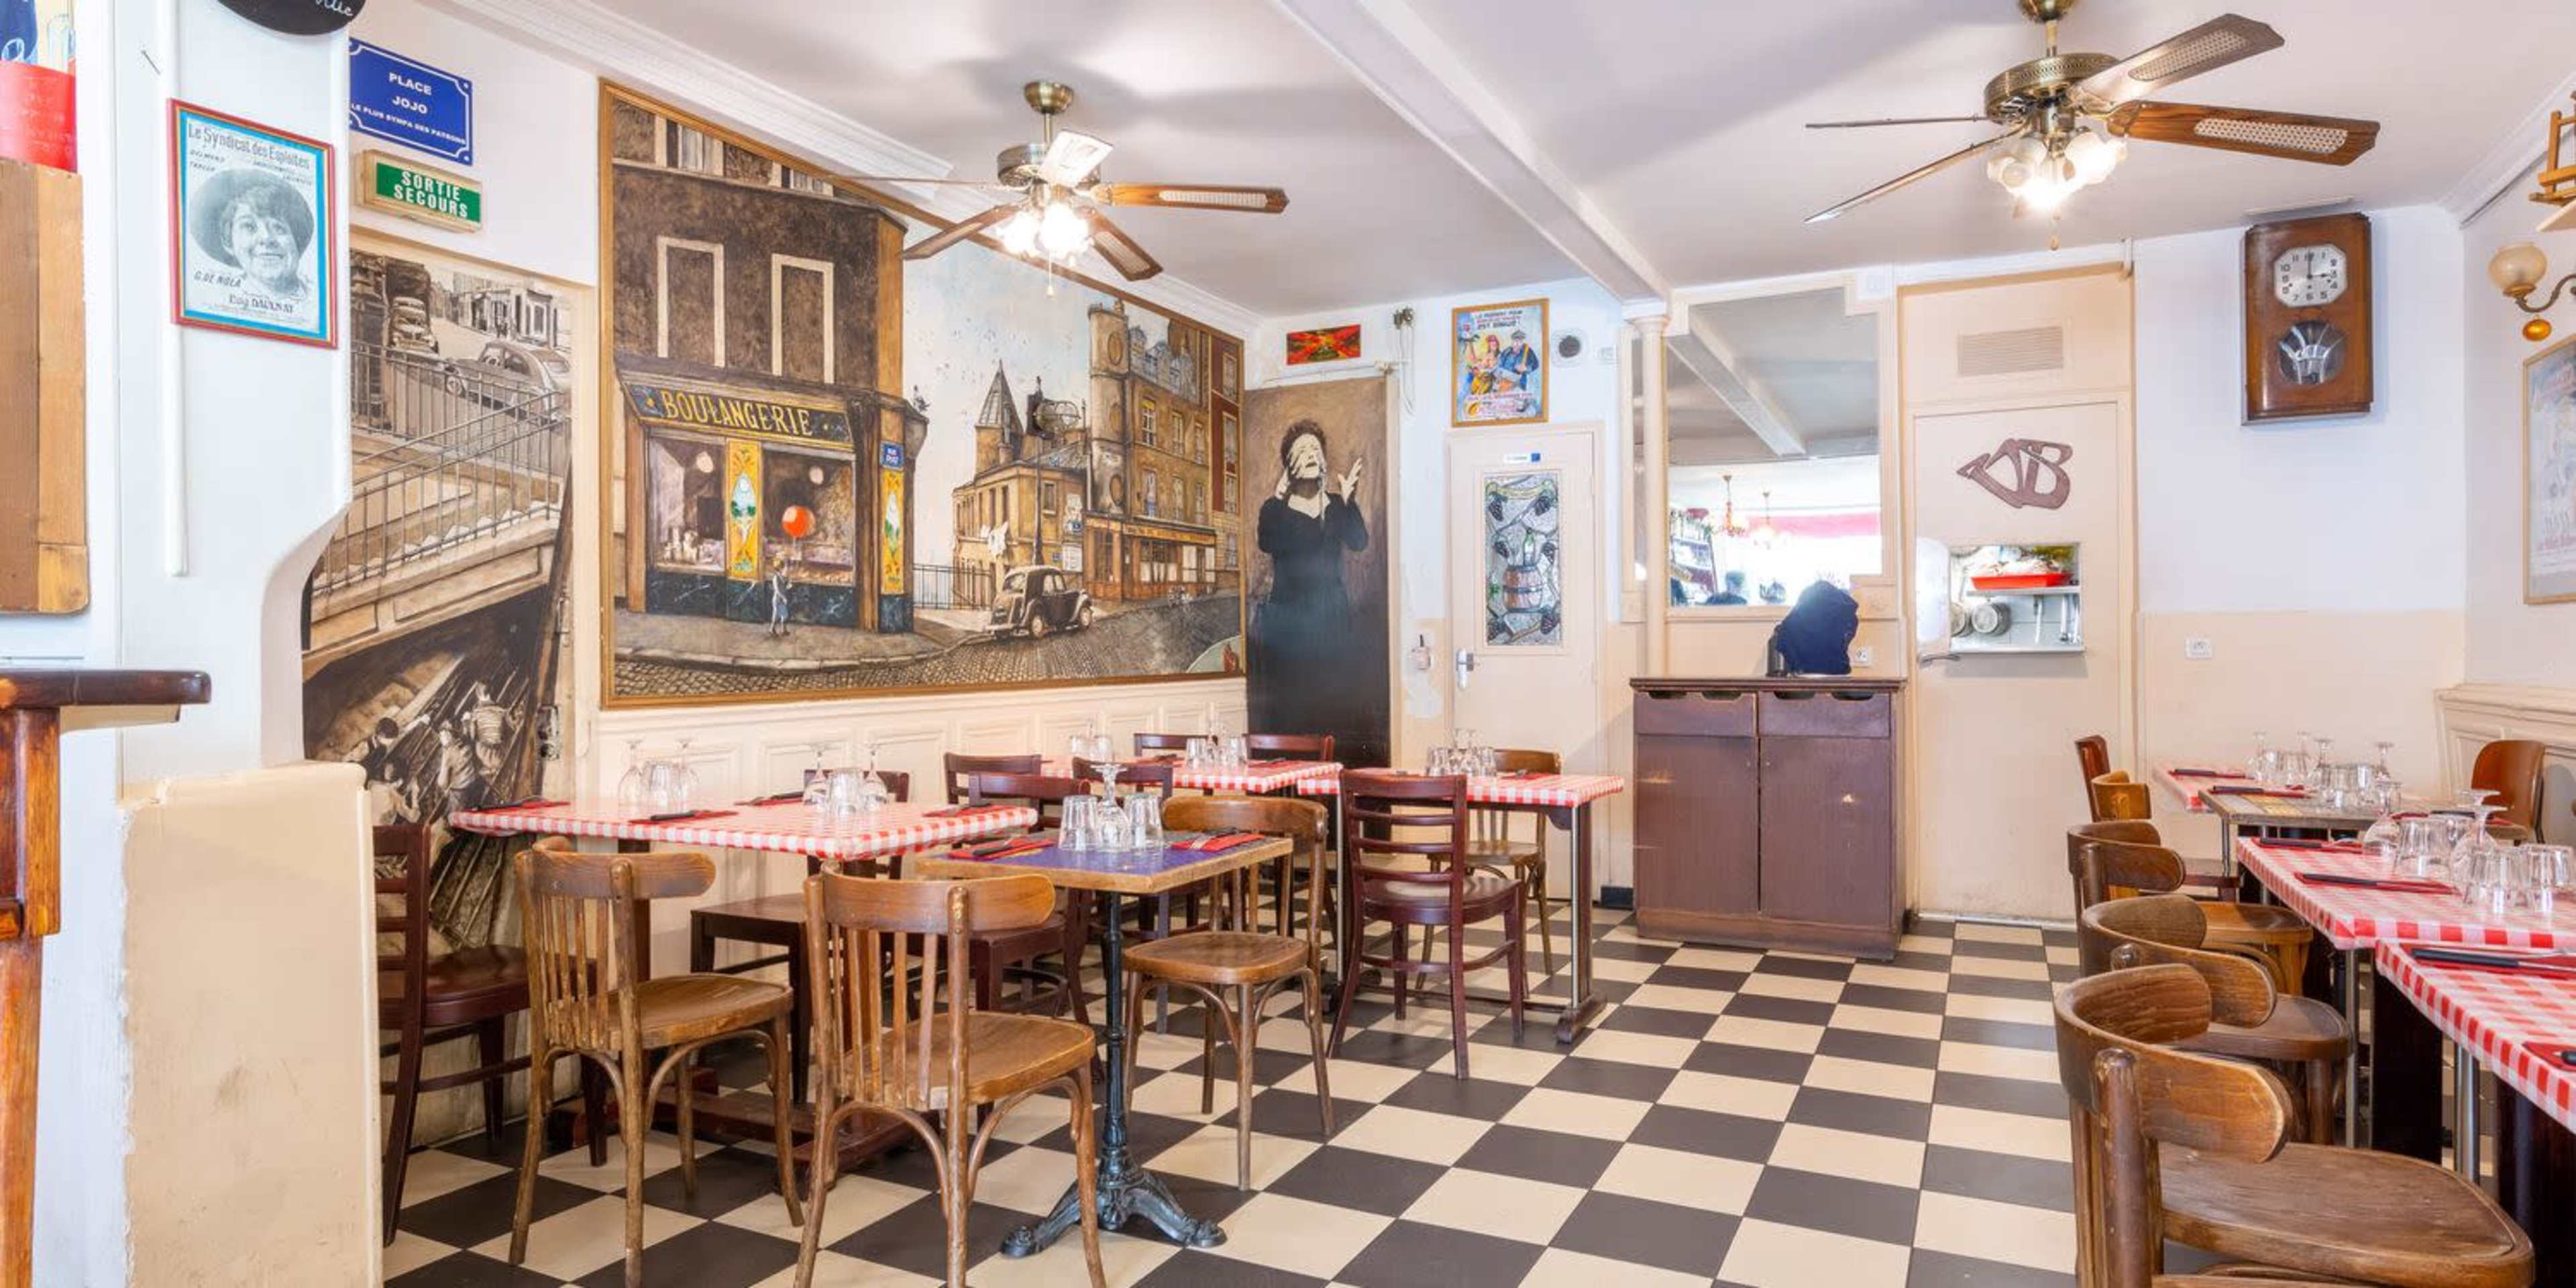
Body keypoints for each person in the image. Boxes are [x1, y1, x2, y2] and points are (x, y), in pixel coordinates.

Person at [1252, 420, 1371, 743]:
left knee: (1330, 701)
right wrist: (1278, 496)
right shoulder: (1274, 509)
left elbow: (1359, 541)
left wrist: (1349, 503)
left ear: (1324, 462)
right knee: (1290, 706)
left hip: (1329, 617)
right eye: (1300, 450)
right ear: (1288, 464)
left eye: (1315, 450)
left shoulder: (1335, 505)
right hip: (1287, 622)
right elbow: (1267, 541)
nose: (1309, 455)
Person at [189, 167, 315, 303]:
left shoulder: (318, 301)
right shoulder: (217, 302)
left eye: (279, 228)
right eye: (249, 227)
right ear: (228, 243)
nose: (267, 238)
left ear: (295, 241)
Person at [1767, 579, 1860, 677]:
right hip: (1840, 675)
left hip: (1803, 677)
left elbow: (1783, 640)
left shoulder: (1793, 621)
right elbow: (1848, 635)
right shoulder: (1845, 613)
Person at [1495, 327, 1541, 393]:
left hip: (1518, 385)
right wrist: (1498, 374)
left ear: (1522, 341)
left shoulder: (1528, 351)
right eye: (1515, 341)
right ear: (1512, 341)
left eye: (1519, 341)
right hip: (1504, 383)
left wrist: (1526, 369)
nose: (1517, 343)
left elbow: (1536, 364)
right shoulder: (1507, 351)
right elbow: (1500, 364)